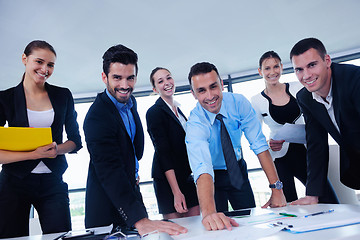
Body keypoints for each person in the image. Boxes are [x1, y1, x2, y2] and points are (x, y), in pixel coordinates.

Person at [83, 44, 187, 236]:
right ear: (104, 77)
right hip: (106, 207)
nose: (124, 85)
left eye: (130, 78)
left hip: (132, 193)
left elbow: (133, 148)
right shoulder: (96, 117)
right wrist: (139, 219)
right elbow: (109, 170)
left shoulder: (131, 103)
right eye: (117, 78)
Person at [185, 62, 287, 231]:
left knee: (249, 222)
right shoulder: (195, 123)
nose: (210, 96)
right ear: (193, 94)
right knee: (216, 227)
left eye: (213, 86)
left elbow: (259, 144)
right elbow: (202, 166)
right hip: (212, 179)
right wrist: (209, 213)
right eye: (201, 91)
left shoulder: (238, 103)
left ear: (222, 85)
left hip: (237, 170)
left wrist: (277, 189)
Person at [0, 40, 82, 238]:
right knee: (12, 237)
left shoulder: (63, 96)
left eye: (50, 65)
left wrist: (57, 150)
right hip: (14, 182)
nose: (45, 69)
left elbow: (75, 141)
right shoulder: (6, 98)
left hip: (52, 181)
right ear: (24, 59)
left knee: (60, 235)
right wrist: (33, 154)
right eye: (39, 62)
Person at [251, 51, 338, 204]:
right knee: (287, 203)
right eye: (267, 68)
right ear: (260, 71)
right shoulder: (257, 100)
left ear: (282, 67)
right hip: (280, 156)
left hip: (305, 151)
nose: (272, 72)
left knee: (326, 196)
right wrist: (269, 143)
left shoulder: (298, 88)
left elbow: (316, 115)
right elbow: (256, 136)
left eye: (276, 66)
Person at [289, 37, 360, 205]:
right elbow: (316, 144)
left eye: (312, 65)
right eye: (299, 69)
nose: (306, 75)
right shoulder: (305, 97)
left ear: (327, 61)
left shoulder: (355, 79)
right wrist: (312, 194)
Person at [146, 67, 200, 220]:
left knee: (197, 226)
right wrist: (176, 192)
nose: (167, 83)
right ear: (155, 89)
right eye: (160, 81)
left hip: (186, 176)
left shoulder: (179, 110)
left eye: (168, 78)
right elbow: (163, 152)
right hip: (168, 181)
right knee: (177, 232)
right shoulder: (154, 112)